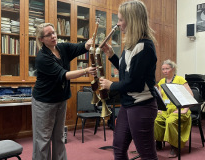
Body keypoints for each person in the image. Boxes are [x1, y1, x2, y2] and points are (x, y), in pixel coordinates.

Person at [99, 1, 158, 159]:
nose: (117, 24)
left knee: (147, 155)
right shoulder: (131, 45)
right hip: (128, 105)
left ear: (132, 20)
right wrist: (112, 56)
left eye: (120, 20)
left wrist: (111, 85)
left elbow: (135, 83)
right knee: (118, 148)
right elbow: (128, 72)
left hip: (142, 106)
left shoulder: (145, 46)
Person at [32, 23, 96, 160]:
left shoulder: (62, 47)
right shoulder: (42, 57)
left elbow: (80, 47)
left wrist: (88, 44)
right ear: (41, 39)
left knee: (59, 137)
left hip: (61, 100)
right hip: (44, 102)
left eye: (54, 32)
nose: (53, 36)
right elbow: (64, 75)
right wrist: (85, 70)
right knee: (43, 140)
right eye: (49, 35)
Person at [154, 59, 192, 158]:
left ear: (173, 69)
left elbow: (190, 96)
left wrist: (184, 110)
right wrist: (159, 109)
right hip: (166, 110)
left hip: (179, 108)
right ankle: (158, 141)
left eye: (167, 68)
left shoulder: (180, 80)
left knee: (170, 121)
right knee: (155, 119)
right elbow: (160, 98)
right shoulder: (162, 81)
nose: (165, 71)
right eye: (163, 69)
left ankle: (175, 146)